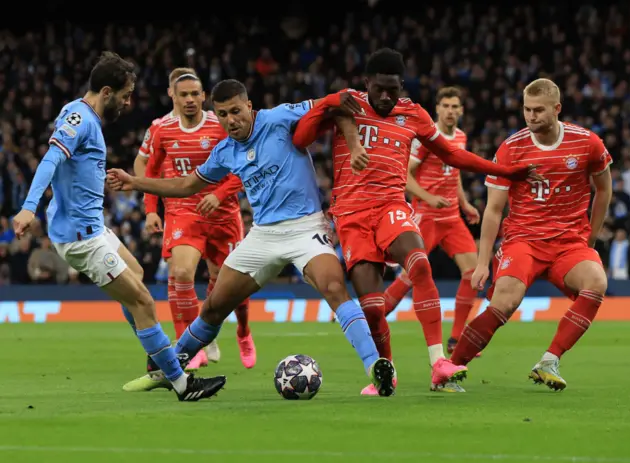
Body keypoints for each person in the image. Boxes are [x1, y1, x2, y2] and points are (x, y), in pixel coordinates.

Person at [107, 79, 398, 397]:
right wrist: (136, 182)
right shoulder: (224, 151)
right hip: (263, 236)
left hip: (306, 228)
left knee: (333, 287)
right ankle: (172, 366)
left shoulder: (278, 117)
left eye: (235, 111)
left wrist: (354, 140)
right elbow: (187, 185)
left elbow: (335, 106)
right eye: (222, 114)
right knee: (215, 307)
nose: (231, 120)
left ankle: (375, 367)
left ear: (249, 106)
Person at [291, 47, 541, 395]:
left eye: (393, 89)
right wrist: (328, 101)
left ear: (402, 86)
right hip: (351, 215)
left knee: (420, 263)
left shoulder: (413, 114)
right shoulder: (346, 106)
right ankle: (386, 373)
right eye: (379, 88)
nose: (385, 96)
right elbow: (300, 138)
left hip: (391, 205)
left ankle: (439, 361)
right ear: (367, 83)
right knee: (373, 310)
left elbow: (453, 155)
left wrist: (505, 171)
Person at [12, 51, 225, 401]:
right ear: (106, 91)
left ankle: (158, 359)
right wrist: (27, 208)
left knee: (137, 273)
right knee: (143, 302)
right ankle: (181, 383)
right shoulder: (80, 118)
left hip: (93, 229)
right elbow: (51, 158)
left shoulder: (83, 117)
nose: (127, 104)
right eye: (125, 96)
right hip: (81, 239)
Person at [449, 78, 612, 391]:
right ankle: (450, 368)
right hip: (524, 241)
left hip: (569, 243)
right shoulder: (511, 148)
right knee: (504, 303)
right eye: (527, 109)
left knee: (597, 283)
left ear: (557, 109)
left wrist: (590, 238)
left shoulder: (587, 142)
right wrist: (482, 263)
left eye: (539, 110)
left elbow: (604, 189)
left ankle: (549, 360)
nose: (531, 116)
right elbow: (494, 210)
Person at [123, 73, 251, 393]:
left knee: (228, 286)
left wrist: (219, 195)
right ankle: (187, 350)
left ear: (204, 95)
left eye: (195, 93)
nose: (190, 99)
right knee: (180, 273)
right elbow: (151, 171)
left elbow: (243, 167)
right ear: (173, 97)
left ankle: (243, 331)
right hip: (183, 211)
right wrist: (152, 208)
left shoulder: (220, 124)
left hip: (223, 213)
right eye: (184, 95)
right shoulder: (162, 129)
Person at [383, 86, 482, 359]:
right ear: (437, 109)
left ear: (461, 110)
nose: (450, 111)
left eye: (455, 107)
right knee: (410, 276)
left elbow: (456, 172)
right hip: (426, 216)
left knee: (473, 274)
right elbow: (405, 176)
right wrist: (429, 197)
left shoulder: (460, 137)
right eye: (446, 106)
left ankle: (457, 338)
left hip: (451, 218)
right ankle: (375, 317)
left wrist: (464, 204)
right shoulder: (426, 138)